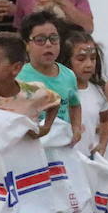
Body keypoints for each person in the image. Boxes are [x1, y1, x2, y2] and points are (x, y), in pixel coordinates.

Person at [17, 12, 82, 145]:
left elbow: (75, 105)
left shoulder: (69, 75)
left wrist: (76, 128)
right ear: (27, 45)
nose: (48, 45)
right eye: (40, 40)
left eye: (53, 38)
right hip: (31, 144)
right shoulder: (18, 76)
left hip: (60, 145)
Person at [62, 31, 108, 157]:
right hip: (64, 158)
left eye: (93, 58)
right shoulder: (60, 90)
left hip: (87, 159)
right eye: (81, 59)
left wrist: (102, 144)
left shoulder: (98, 91)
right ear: (67, 61)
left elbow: (107, 119)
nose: (89, 64)